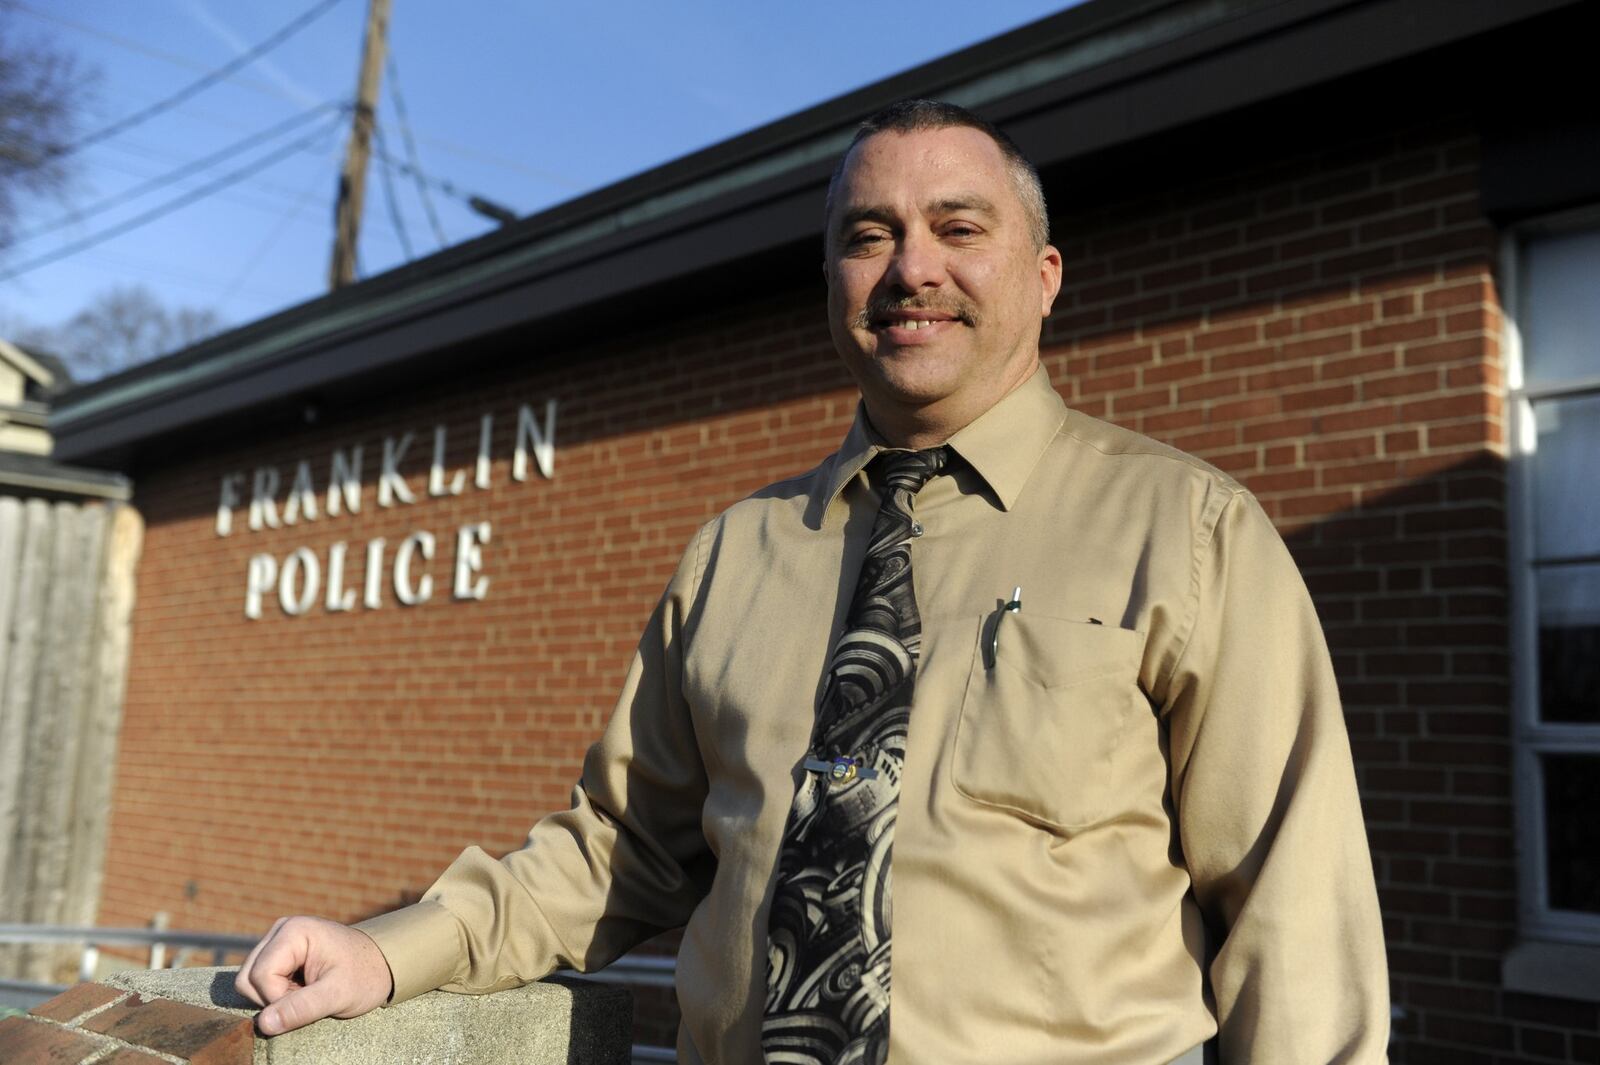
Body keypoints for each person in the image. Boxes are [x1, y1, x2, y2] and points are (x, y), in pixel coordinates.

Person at [236, 100, 1389, 1064]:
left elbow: (1295, 916)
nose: (911, 270)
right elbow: (619, 852)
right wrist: (392, 950)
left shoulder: (1187, 533)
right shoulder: (736, 553)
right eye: (869, 235)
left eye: (956, 227)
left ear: (1042, 278)